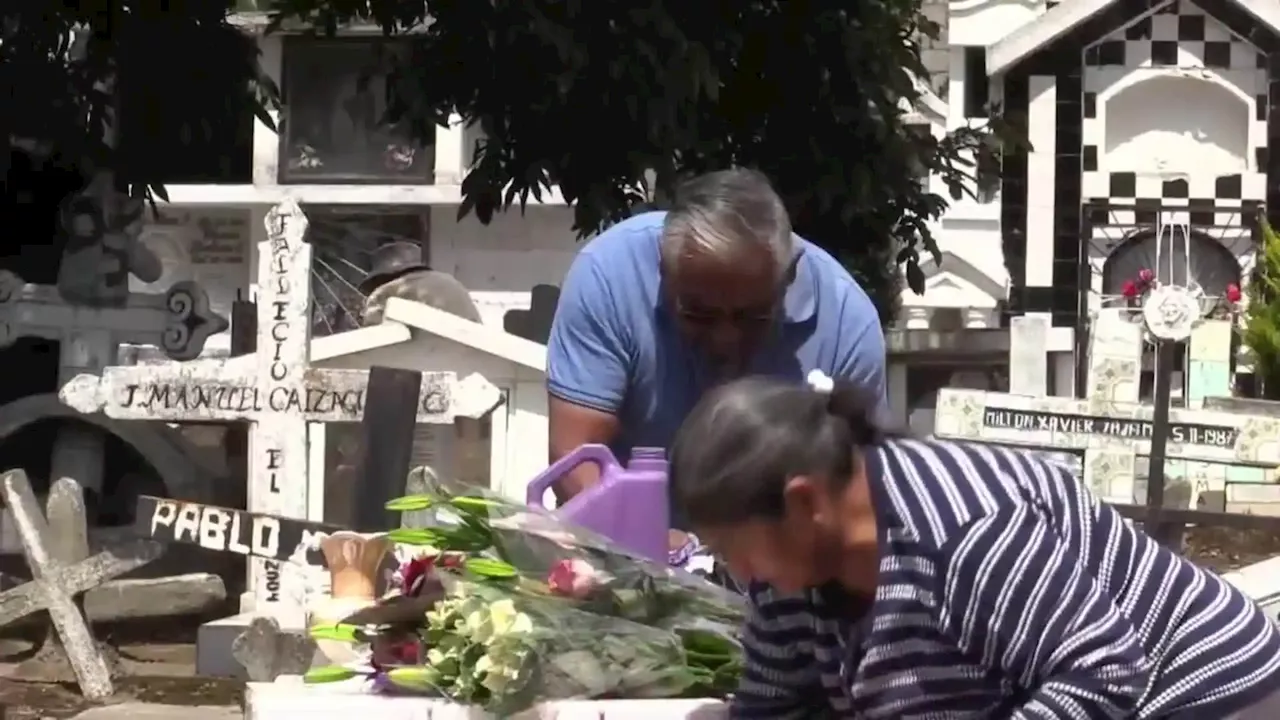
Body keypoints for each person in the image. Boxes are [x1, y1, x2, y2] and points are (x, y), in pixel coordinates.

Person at [668, 372, 1280, 719]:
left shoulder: (965, 530)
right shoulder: (787, 578)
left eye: (731, 546)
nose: (735, 569)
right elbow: (773, 708)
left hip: (1198, 690)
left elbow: (1103, 670)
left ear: (804, 504)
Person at [546, 168, 888, 514]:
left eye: (752, 316)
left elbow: (853, 497)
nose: (725, 340)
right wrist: (647, 542)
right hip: (621, 546)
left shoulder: (847, 322)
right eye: (699, 315)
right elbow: (573, 459)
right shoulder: (610, 276)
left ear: (788, 278)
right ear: (663, 271)